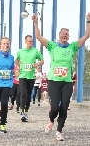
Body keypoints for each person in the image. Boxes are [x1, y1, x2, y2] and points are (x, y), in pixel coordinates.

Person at [32, 13, 90, 141]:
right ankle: (51, 120)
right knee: (55, 108)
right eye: (63, 34)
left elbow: (86, 36)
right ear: (59, 35)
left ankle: (59, 131)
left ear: (68, 36)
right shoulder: (52, 46)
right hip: (54, 81)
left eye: (67, 34)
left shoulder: (72, 47)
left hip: (67, 82)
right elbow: (38, 37)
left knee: (64, 107)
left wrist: (88, 21)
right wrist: (36, 23)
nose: (65, 35)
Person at [15, 35, 44, 122]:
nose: (31, 43)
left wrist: (38, 64)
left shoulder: (35, 51)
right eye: (29, 41)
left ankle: (26, 110)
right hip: (22, 76)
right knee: (23, 93)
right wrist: (18, 67)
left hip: (31, 77)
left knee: (28, 95)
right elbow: (17, 60)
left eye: (32, 41)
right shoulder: (20, 51)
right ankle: (22, 112)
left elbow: (43, 61)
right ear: (25, 41)